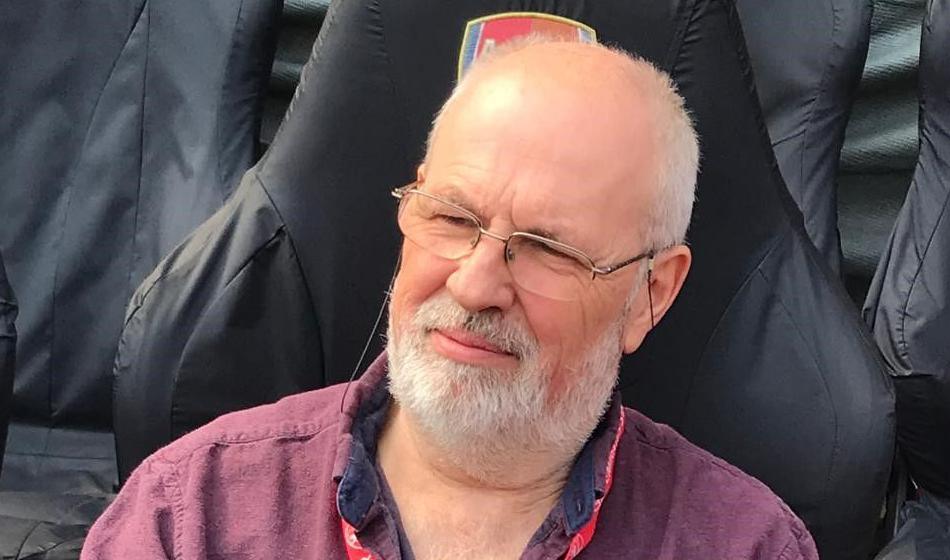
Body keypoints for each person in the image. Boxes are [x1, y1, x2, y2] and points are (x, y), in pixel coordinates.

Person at [82, 37, 818, 560]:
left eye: (548, 248)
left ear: (650, 294)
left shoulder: (744, 545)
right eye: (451, 218)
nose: (473, 284)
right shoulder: (190, 517)